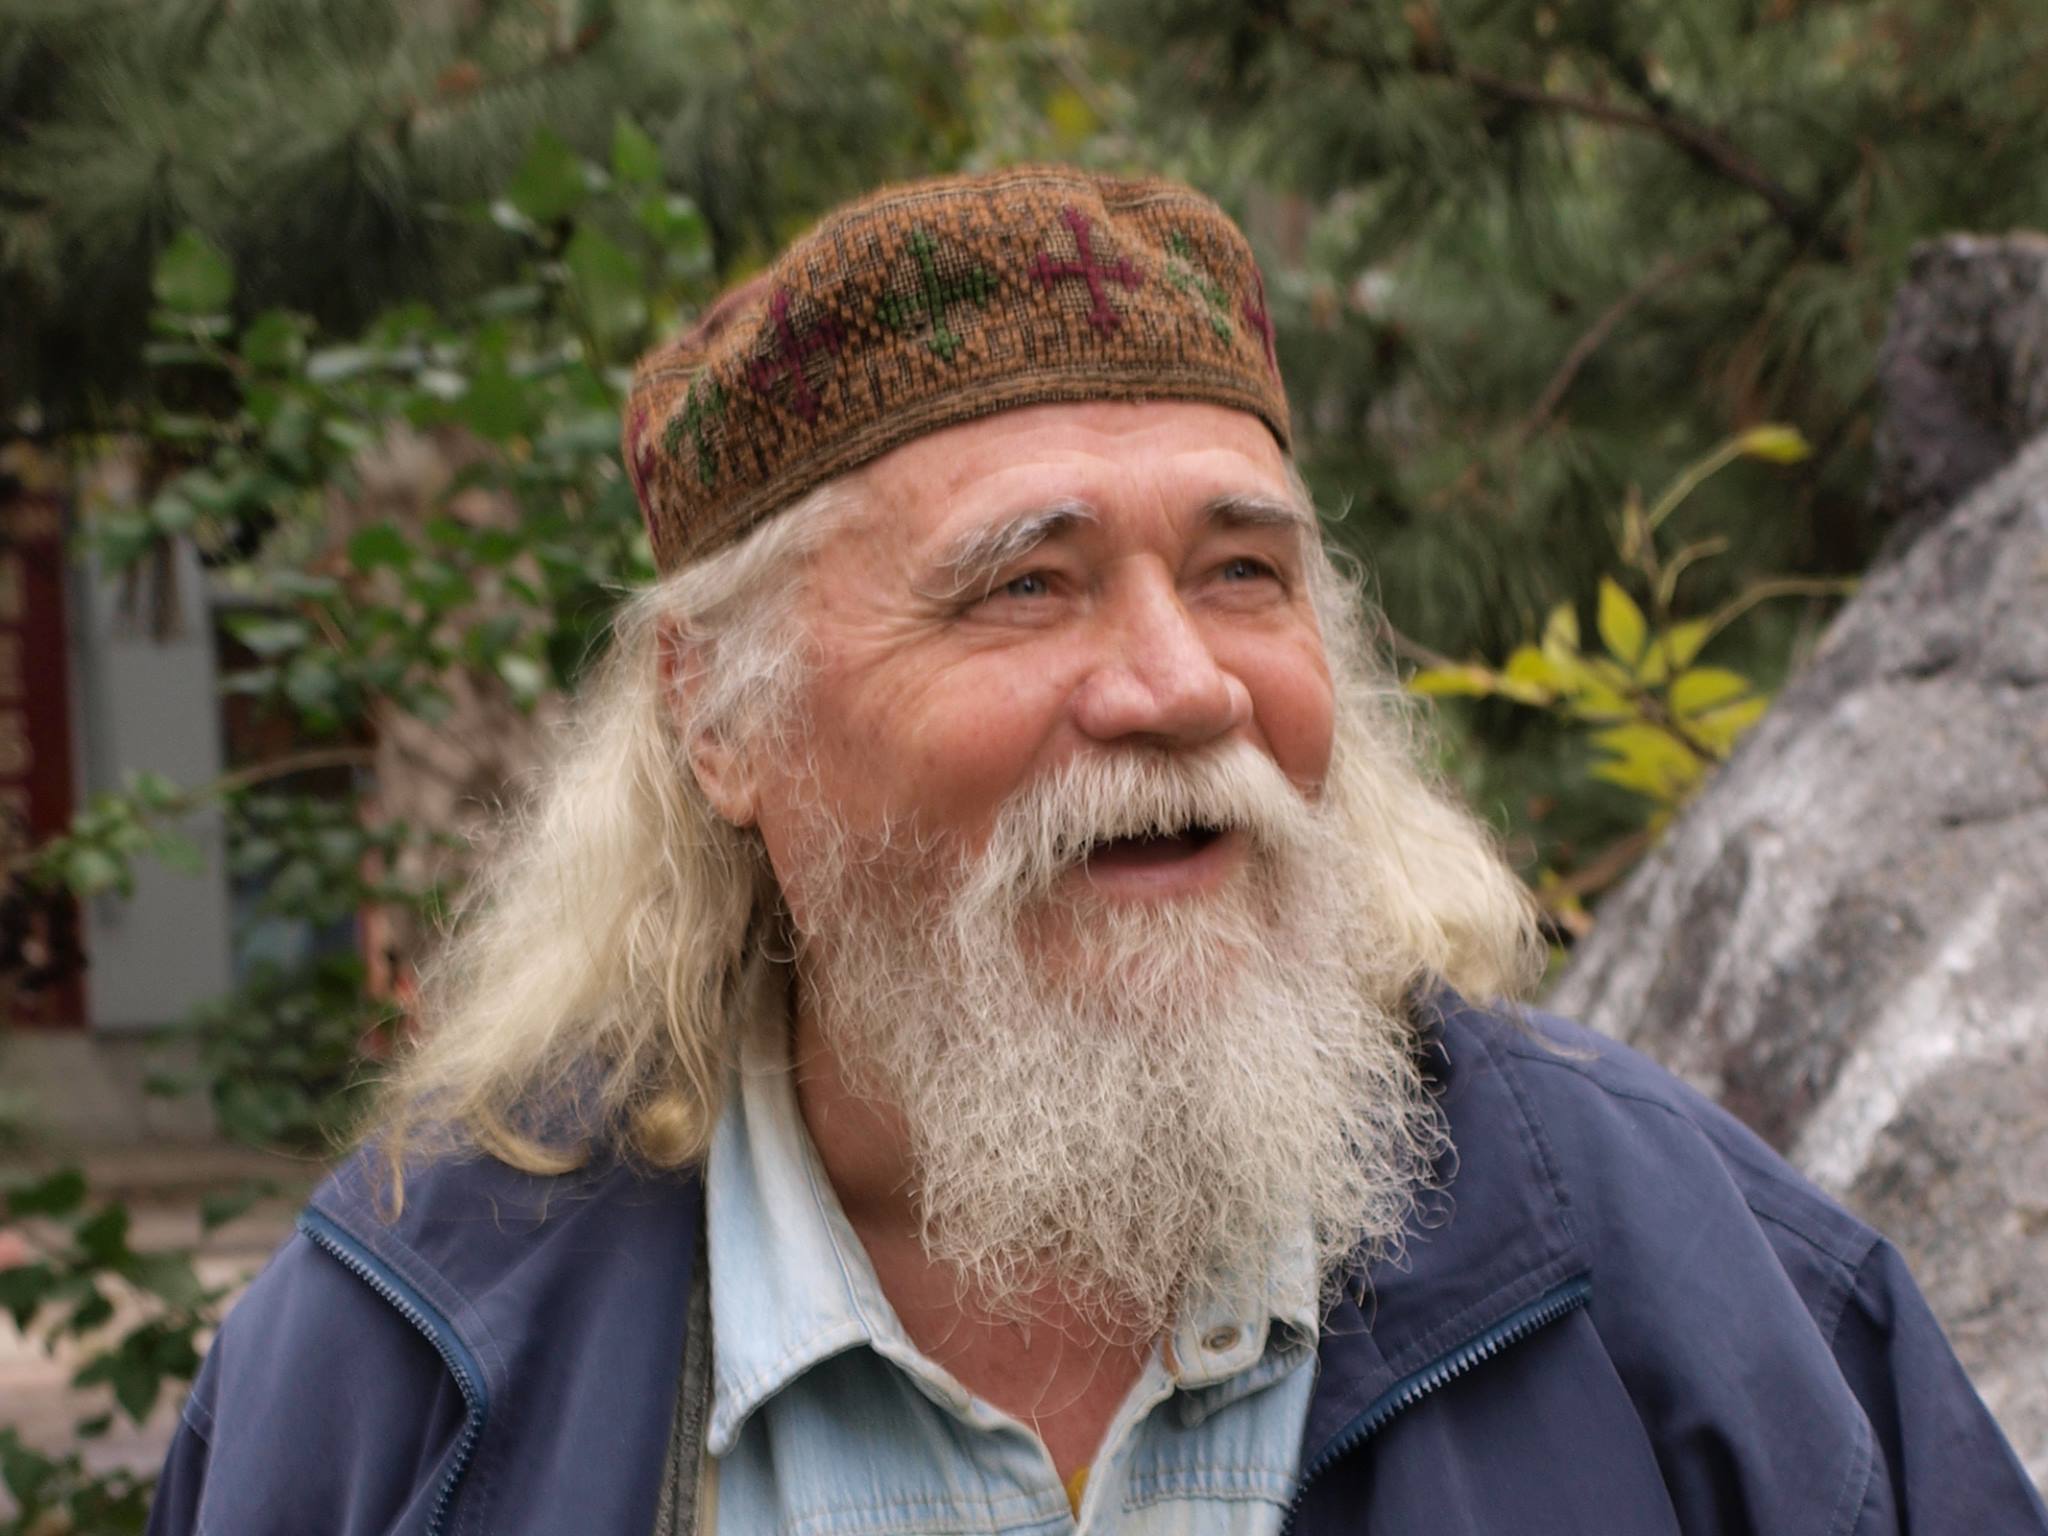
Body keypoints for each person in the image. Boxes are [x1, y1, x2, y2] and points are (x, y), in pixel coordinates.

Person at [146, 165, 2045, 1535]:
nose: (1180, 685)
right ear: (719, 717)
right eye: (1025, 586)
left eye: (1243, 574)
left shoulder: (1697, 1291)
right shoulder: (400, 1372)